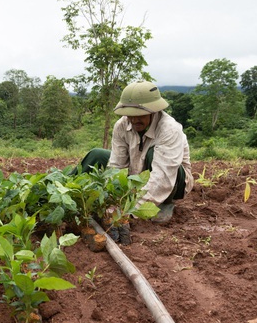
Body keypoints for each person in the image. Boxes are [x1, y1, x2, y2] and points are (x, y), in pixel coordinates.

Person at [75, 81, 193, 223]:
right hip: (136, 176)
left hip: (173, 181)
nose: (134, 119)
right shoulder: (121, 125)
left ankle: (163, 203)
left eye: (140, 115)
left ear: (153, 111)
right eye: (130, 115)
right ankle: (63, 196)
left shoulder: (169, 129)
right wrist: (112, 201)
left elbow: (162, 178)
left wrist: (129, 211)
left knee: (152, 154)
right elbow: (116, 166)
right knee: (97, 154)